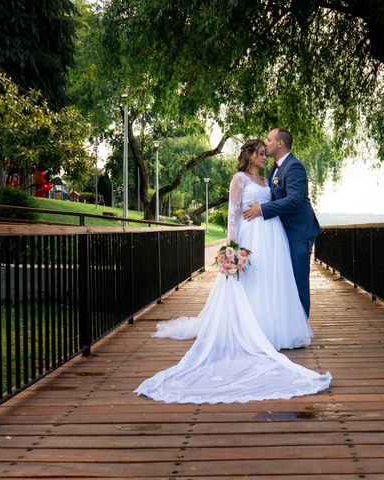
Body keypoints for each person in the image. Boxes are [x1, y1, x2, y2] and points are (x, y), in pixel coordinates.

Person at [134, 140, 331, 404]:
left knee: (268, 282)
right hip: (251, 235)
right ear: (249, 156)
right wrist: (232, 246)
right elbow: (233, 213)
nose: (264, 157)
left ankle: (271, 329)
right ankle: (248, 330)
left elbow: (282, 202)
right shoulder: (239, 179)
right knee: (249, 282)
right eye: (260, 154)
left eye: (265, 152)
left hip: (271, 237)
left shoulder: (267, 178)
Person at [243, 128, 321, 318]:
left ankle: (302, 326)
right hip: (282, 232)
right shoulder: (274, 169)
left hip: (298, 232)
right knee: (284, 281)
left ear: (280, 143)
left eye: (269, 140)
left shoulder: (294, 166)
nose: (265, 143)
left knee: (298, 279)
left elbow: (295, 200)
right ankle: (288, 323)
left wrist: (262, 210)